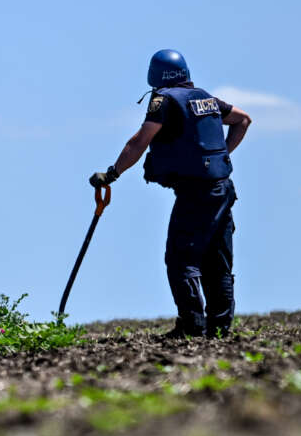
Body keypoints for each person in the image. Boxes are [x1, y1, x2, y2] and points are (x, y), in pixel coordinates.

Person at [90, 49, 252, 338]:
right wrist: (223, 155)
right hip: (223, 189)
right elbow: (243, 120)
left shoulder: (162, 100)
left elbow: (140, 141)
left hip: (195, 193)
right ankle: (220, 329)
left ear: (155, 76)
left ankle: (192, 326)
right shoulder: (205, 98)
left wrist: (112, 173)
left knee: (181, 260)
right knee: (218, 260)